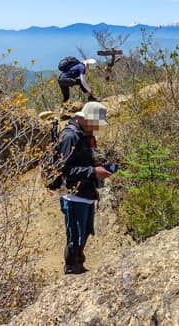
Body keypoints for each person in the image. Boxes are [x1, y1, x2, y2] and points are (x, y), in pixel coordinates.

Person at [55, 101, 114, 274]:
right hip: (72, 194)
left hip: (85, 192)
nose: (96, 128)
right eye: (95, 124)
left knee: (84, 233)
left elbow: (78, 162)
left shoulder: (84, 135)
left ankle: (78, 265)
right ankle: (72, 269)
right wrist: (93, 171)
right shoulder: (70, 136)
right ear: (86, 120)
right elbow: (63, 169)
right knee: (75, 237)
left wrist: (96, 165)